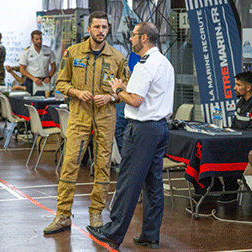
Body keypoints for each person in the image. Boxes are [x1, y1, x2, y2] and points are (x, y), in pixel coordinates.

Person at [86, 21, 174, 250]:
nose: (131, 39)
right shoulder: (164, 63)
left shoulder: (145, 65)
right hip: (160, 128)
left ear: (144, 38)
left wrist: (117, 90)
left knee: (128, 182)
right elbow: (146, 93)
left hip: (143, 129)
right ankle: (150, 234)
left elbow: (136, 100)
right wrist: (126, 87)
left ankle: (113, 233)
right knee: (153, 185)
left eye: (134, 35)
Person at [43, 11, 130, 235]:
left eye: (105, 27)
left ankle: (96, 214)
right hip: (79, 115)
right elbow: (60, 83)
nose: (101, 31)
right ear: (89, 29)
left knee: (103, 166)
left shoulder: (118, 58)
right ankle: (62, 215)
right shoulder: (73, 53)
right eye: (97, 27)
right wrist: (77, 92)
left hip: (106, 116)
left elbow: (126, 91)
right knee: (70, 163)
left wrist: (111, 97)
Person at [217, 71, 252, 203]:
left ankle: (231, 190)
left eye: (238, 85)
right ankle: (213, 187)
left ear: (248, 88)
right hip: (241, 144)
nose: (234, 88)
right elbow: (234, 127)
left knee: (226, 154)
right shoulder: (241, 103)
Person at [19, 30, 56, 95]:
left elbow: (53, 66)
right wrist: (33, 78)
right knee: (31, 101)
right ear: (32, 40)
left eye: (40, 39)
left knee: (45, 101)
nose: (39, 41)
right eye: (37, 39)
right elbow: (22, 70)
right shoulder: (27, 52)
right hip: (32, 81)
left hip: (45, 81)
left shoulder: (48, 50)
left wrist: (49, 77)